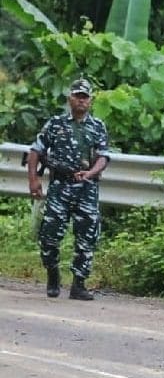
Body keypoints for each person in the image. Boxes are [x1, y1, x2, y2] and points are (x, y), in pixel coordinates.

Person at [27, 78, 111, 301]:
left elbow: (104, 157)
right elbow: (36, 151)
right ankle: (53, 273)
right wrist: (34, 180)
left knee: (87, 237)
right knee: (49, 236)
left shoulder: (98, 126)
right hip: (60, 186)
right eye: (77, 96)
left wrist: (91, 173)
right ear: (70, 98)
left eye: (85, 97)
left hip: (87, 188)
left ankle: (79, 284)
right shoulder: (55, 124)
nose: (81, 100)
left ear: (90, 101)